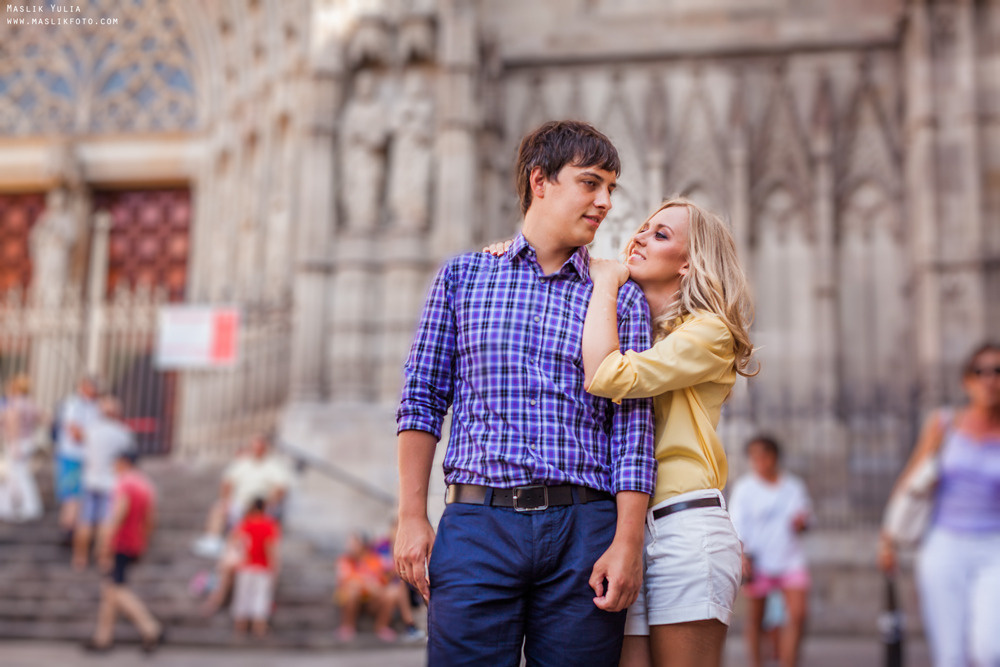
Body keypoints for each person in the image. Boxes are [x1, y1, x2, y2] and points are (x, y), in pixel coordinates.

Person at [395, 119, 656, 666]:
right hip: (477, 525)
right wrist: (411, 516)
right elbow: (422, 399)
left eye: (611, 187)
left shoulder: (616, 296)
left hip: (584, 531)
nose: (606, 201)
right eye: (590, 183)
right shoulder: (463, 278)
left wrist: (627, 541)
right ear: (541, 182)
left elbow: (632, 429)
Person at [580, 197, 756, 667]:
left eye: (661, 235)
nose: (638, 238)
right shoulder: (634, 325)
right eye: (642, 228)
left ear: (688, 264)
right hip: (626, 532)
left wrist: (604, 281)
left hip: (686, 529)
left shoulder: (710, 331)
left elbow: (605, 373)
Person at [878, 342, 1000, 666]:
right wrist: (888, 539)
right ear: (967, 381)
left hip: (994, 547)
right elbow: (909, 480)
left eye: (997, 371)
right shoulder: (943, 424)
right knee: (950, 656)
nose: (990, 379)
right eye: (981, 371)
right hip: (944, 544)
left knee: (990, 650)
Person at [729, 435, 813, 667]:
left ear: (774, 457)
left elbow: (805, 519)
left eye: (763, 455)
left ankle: (788, 662)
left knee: (798, 615)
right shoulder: (745, 488)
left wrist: (801, 523)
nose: (759, 461)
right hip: (759, 562)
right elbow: (737, 525)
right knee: (756, 619)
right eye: (754, 457)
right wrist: (742, 556)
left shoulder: (793, 487)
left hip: (790, 560)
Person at [197, 434, 292, 613]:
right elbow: (227, 482)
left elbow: (281, 488)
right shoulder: (242, 464)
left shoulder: (273, 467)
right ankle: (212, 540)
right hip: (242, 510)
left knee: (230, 564)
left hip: (259, 516)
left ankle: (222, 600)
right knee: (219, 512)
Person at [84, 450, 164, 653]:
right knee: (109, 590)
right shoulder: (146, 485)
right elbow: (151, 519)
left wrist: (104, 543)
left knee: (117, 589)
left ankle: (150, 627)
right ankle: (103, 638)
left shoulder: (124, 483)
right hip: (135, 542)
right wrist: (144, 540)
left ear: (123, 462)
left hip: (120, 542)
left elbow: (117, 514)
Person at [74, 396, 136, 570]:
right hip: (112, 482)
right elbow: (129, 457)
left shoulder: (91, 430)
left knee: (85, 521)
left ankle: (80, 558)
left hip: (90, 480)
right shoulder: (123, 432)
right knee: (106, 522)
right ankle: (103, 558)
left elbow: (79, 442)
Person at [54, 376, 100, 538]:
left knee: (82, 493)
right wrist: (93, 438)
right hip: (72, 455)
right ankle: (68, 527)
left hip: (87, 456)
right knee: (71, 492)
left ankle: (75, 526)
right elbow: (74, 431)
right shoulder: (73, 404)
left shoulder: (94, 406)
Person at [230, 497, 281, 637]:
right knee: (260, 598)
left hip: (245, 566)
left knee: (242, 597)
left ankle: (240, 628)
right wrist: (275, 565)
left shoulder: (244, 524)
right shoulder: (269, 524)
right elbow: (270, 547)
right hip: (262, 566)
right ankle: (259, 629)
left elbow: (235, 543)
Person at [335, 533, 397, 642]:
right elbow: (346, 581)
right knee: (352, 591)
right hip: (351, 599)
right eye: (349, 543)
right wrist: (367, 583)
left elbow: (390, 571)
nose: (349, 546)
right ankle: (348, 626)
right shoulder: (344, 560)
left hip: (372, 600)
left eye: (353, 543)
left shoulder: (374, 560)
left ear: (362, 545)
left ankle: (382, 627)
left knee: (392, 592)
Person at [0, 374, 44, 522]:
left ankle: (30, 507)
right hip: (28, 442)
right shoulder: (30, 403)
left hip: (16, 443)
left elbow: (13, 425)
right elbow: (42, 418)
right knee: (15, 476)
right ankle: (7, 507)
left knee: (19, 475)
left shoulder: (14, 404)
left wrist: (15, 443)